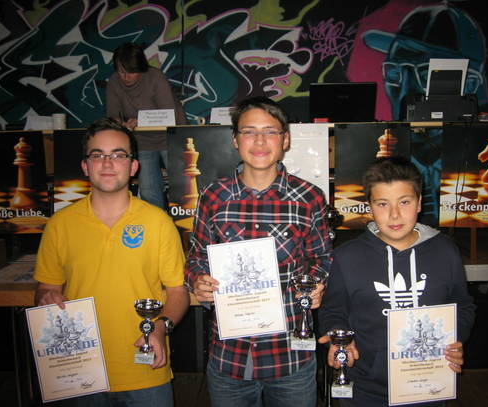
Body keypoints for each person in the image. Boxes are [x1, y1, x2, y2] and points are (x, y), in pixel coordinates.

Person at [185, 96, 332, 407]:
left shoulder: (309, 198)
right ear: (235, 140)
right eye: (249, 131)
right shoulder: (213, 196)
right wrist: (197, 280)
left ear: (285, 140)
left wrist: (316, 284)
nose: (260, 141)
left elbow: (322, 258)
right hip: (229, 356)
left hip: (290, 356)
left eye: (270, 131)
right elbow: (196, 257)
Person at [34, 118, 190, 406]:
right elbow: (46, 287)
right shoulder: (60, 224)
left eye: (118, 155)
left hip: (145, 368)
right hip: (79, 370)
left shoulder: (158, 222)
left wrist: (159, 326)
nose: (107, 163)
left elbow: (178, 291)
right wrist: (46, 296)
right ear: (85, 166)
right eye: (98, 155)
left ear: (133, 166)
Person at [318, 156, 476, 407]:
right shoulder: (347, 257)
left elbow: (463, 306)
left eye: (404, 202)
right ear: (369, 207)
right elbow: (333, 309)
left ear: (419, 203)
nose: (394, 214)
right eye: (382, 204)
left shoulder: (446, 251)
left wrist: (455, 339)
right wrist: (340, 338)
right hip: (365, 390)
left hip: (430, 386)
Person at [106, 42, 187, 211]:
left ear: (140, 68)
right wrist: (121, 123)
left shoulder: (155, 77)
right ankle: (157, 223)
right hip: (141, 140)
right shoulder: (114, 81)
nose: (125, 76)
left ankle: (184, 223)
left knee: (181, 185)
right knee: (148, 189)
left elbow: (168, 113)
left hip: (171, 136)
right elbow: (112, 113)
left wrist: (139, 120)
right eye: (121, 71)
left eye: (130, 71)